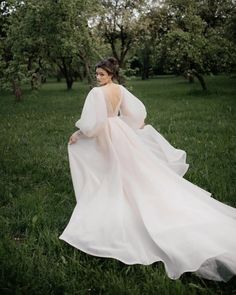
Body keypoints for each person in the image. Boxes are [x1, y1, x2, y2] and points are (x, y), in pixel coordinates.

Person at [59, 57, 236, 282]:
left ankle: (117, 206)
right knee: (131, 171)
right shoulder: (121, 90)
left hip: (107, 133)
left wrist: (79, 134)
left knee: (116, 171)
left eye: (102, 74)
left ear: (110, 74)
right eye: (97, 74)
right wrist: (132, 128)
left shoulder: (96, 94)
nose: (98, 77)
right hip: (120, 131)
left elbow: (93, 124)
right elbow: (135, 113)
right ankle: (124, 196)